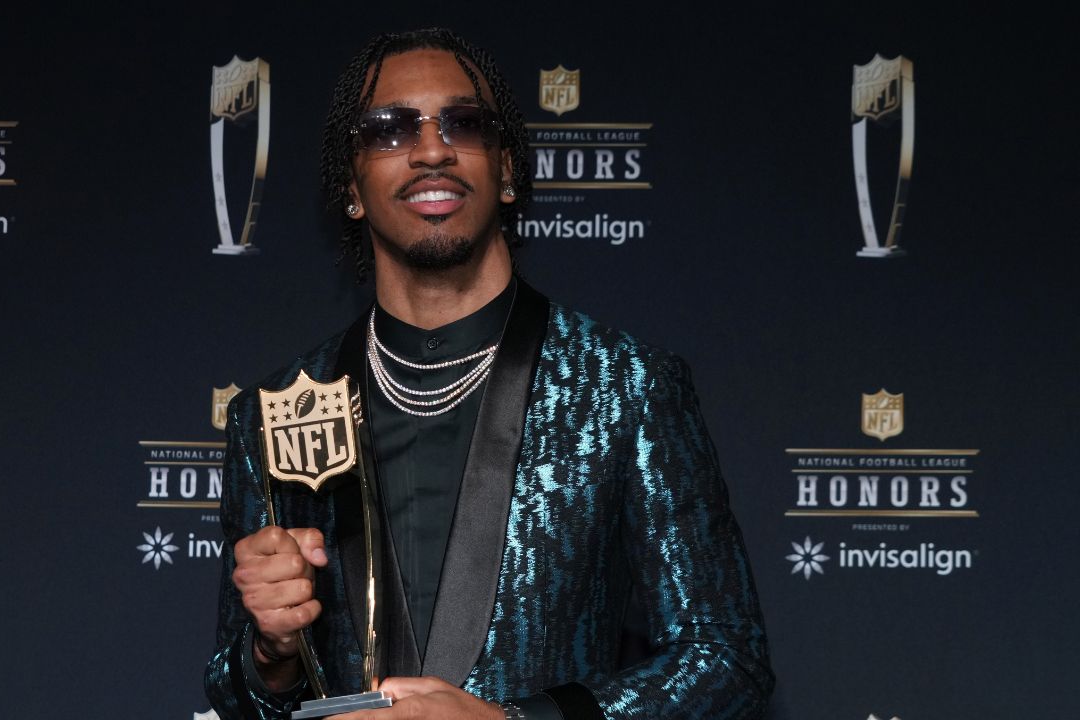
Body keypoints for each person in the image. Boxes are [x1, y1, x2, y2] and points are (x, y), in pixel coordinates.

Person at [205, 28, 773, 720]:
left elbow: (727, 659)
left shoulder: (626, 386)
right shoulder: (274, 411)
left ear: (506, 171)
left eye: (464, 123)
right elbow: (236, 695)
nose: (431, 150)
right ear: (350, 187)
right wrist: (271, 653)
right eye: (389, 129)